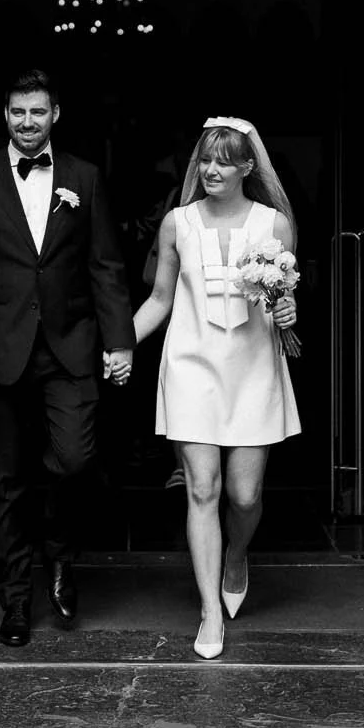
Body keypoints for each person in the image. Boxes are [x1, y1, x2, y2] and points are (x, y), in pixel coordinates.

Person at [0, 68, 134, 648]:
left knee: (72, 459)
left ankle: (62, 555)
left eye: (38, 112)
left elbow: (106, 265)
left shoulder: (84, 179)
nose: (28, 122)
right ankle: (16, 601)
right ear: (6, 115)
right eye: (19, 112)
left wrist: (118, 339)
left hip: (69, 348)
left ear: (55, 115)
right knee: (5, 482)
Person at [133, 115, 300, 659]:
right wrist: (112, 343)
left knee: (244, 495)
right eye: (205, 159)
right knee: (201, 488)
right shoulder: (176, 223)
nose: (211, 169)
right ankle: (210, 611)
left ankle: (235, 557)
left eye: (224, 160)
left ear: (248, 167)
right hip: (191, 366)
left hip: (252, 368)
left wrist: (288, 311)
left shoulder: (274, 225)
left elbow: (284, 307)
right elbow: (160, 298)